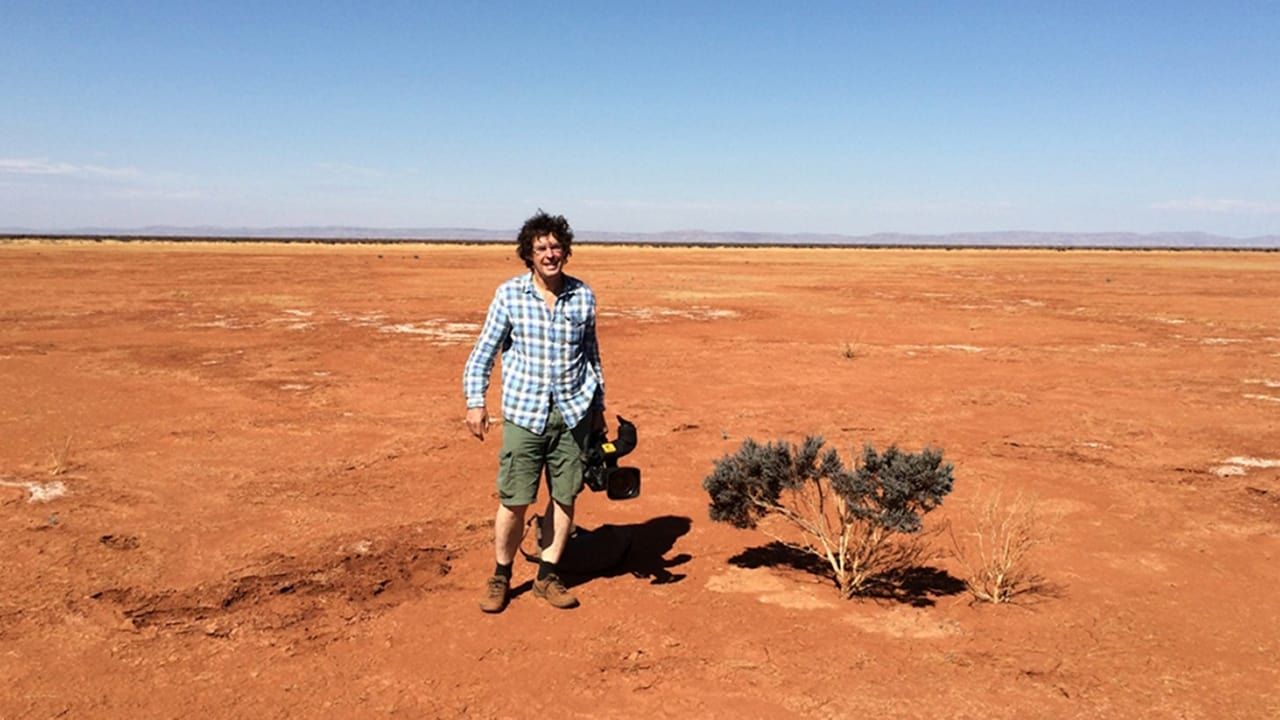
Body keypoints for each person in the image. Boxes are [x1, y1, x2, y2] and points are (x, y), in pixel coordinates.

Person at [463, 210, 606, 613]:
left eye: (556, 246)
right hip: (525, 415)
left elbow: (592, 356)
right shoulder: (509, 295)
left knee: (565, 497)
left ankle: (547, 576)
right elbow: (483, 354)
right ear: (528, 253)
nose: (550, 254)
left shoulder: (583, 295)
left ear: (566, 251)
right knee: (514, 500)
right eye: (541, 247)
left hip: (574, 413)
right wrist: (476, 402)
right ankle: (501, 575)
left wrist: (598, 408)